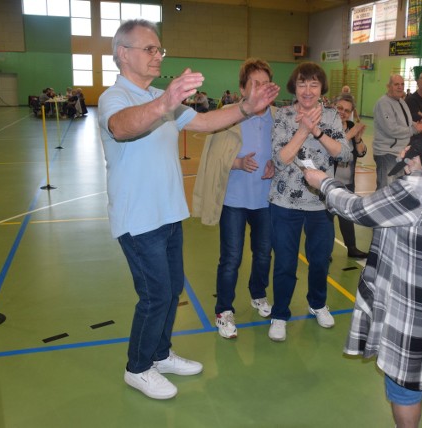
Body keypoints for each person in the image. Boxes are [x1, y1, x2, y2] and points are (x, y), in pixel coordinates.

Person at [97, 19, 279, 400]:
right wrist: (164, 102)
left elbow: (208, 121)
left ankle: (160, 354)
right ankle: (138, 366)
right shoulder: (115, 97)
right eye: (148, 48)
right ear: (122, 54)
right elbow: (120, 127)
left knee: (172, 287)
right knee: (156, 294)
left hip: (167, 214)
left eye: (158, 48)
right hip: (138, 218)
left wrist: (247, 106)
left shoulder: (162, 97)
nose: (156, 55)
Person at [303, 91, 422, 428]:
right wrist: (417, 169)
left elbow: (360, 210)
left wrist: (325, 184)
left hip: (421, 311)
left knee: (403, 383)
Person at [267, 62, 352, 342]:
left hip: (320, 205)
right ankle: (280, 314)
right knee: (285, 263)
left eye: (313, 84)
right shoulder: (283, 115)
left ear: (321, 89)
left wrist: (317, 131)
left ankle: (317, 304)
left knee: (319, 261)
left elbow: (344, 153)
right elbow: (281, 160)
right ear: (295, 87)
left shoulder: (330, 116)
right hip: (285, 203)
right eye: (302, 84)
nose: (307, 90)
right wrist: (303, 130)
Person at [192, 58, 276, 339]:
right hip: (234, 200)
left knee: (264, 254)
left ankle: (258, 295)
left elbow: (287, 151)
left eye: (265, 83)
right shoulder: (227, 116)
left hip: (266, 200)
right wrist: (237, 163)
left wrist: (276, 163)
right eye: (255, 84)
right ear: (243, 89)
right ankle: (224, 310)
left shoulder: (278, 117)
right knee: (231, 257)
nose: (261, 89)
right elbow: (214, 158)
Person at [372, 74, 422, 190]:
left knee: (396, 189)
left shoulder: (401, 101)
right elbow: (391, 129)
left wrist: (416, 124)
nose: (400, 87)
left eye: (402, 84)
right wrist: (414, 130)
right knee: (386, 190)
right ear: (388, 86)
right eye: (396, 84)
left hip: (399, 152)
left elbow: (407, 120)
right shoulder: (383, 103)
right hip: (387, 153)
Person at [333, 93, 368, 259]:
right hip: (330, 181)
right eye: (339, 108)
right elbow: (333, 151)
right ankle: (324, 250)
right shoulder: (328, 127)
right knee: (326, 219)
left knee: (346, 216)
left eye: (347, 110)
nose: (343, 112)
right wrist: (350, 134)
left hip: (348, 181)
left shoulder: (352, 126)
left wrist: (359, 138)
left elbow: (361, 153)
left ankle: (352, 247)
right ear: (333, 107)